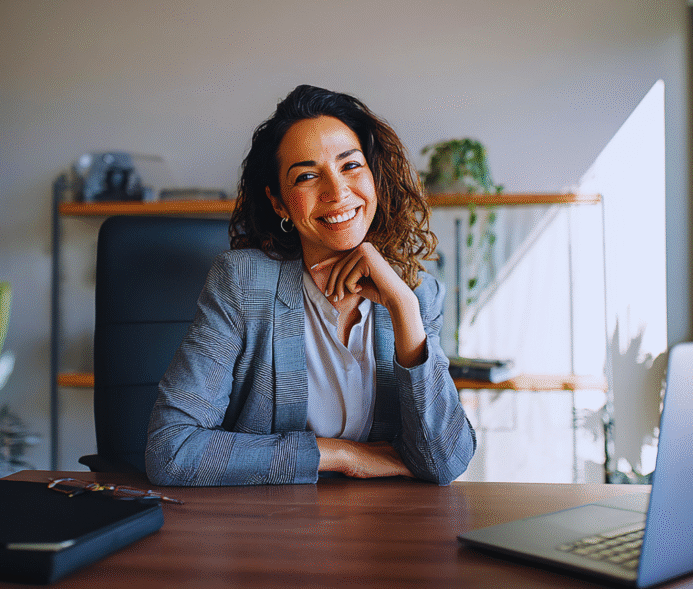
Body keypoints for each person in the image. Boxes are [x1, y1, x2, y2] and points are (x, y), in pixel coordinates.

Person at [145, 84, 476, 486]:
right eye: (306, 176)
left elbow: (444, 462)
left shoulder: (418, 294)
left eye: (350, 166)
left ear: (375, 177)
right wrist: (340, 455)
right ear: (280, 202)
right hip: (270, 527)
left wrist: (404, 308)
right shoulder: (243, 282)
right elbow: (172, 452)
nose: (337, 192)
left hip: (383, 530)